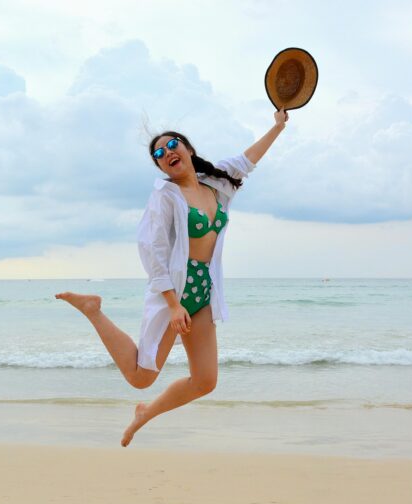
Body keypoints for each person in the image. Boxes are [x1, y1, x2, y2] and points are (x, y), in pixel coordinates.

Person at [56, 107, 289, 446]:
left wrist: (278, 127)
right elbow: (152, 250)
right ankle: (93, 309)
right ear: (162, 167)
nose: (167, 153)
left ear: (188, 149)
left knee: (205, 381)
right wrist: (172, 303)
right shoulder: (165, 196)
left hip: (203, 292)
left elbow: (247, 160)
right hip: (175, 294)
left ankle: (145, 414)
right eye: (159, 155)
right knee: (140, 376)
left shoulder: (216, 183)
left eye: (172, 145)